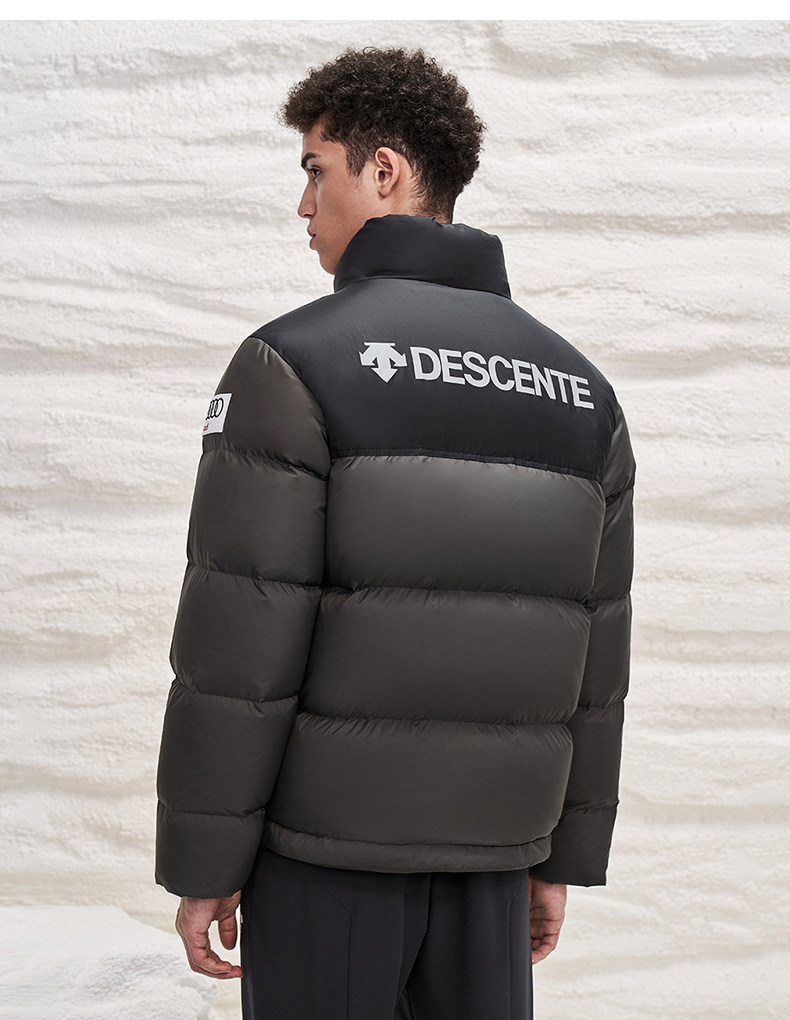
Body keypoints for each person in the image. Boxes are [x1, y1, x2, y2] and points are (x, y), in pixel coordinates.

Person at [154, 45, 635, 1020]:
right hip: (494, 861)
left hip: (325, 866)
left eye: (315, 171)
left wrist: (203, 863)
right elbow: (599, 658)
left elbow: (238, 648)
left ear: (384, 171)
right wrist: (558, 859)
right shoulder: (584, 394)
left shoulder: (291, 364)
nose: (303, 205)